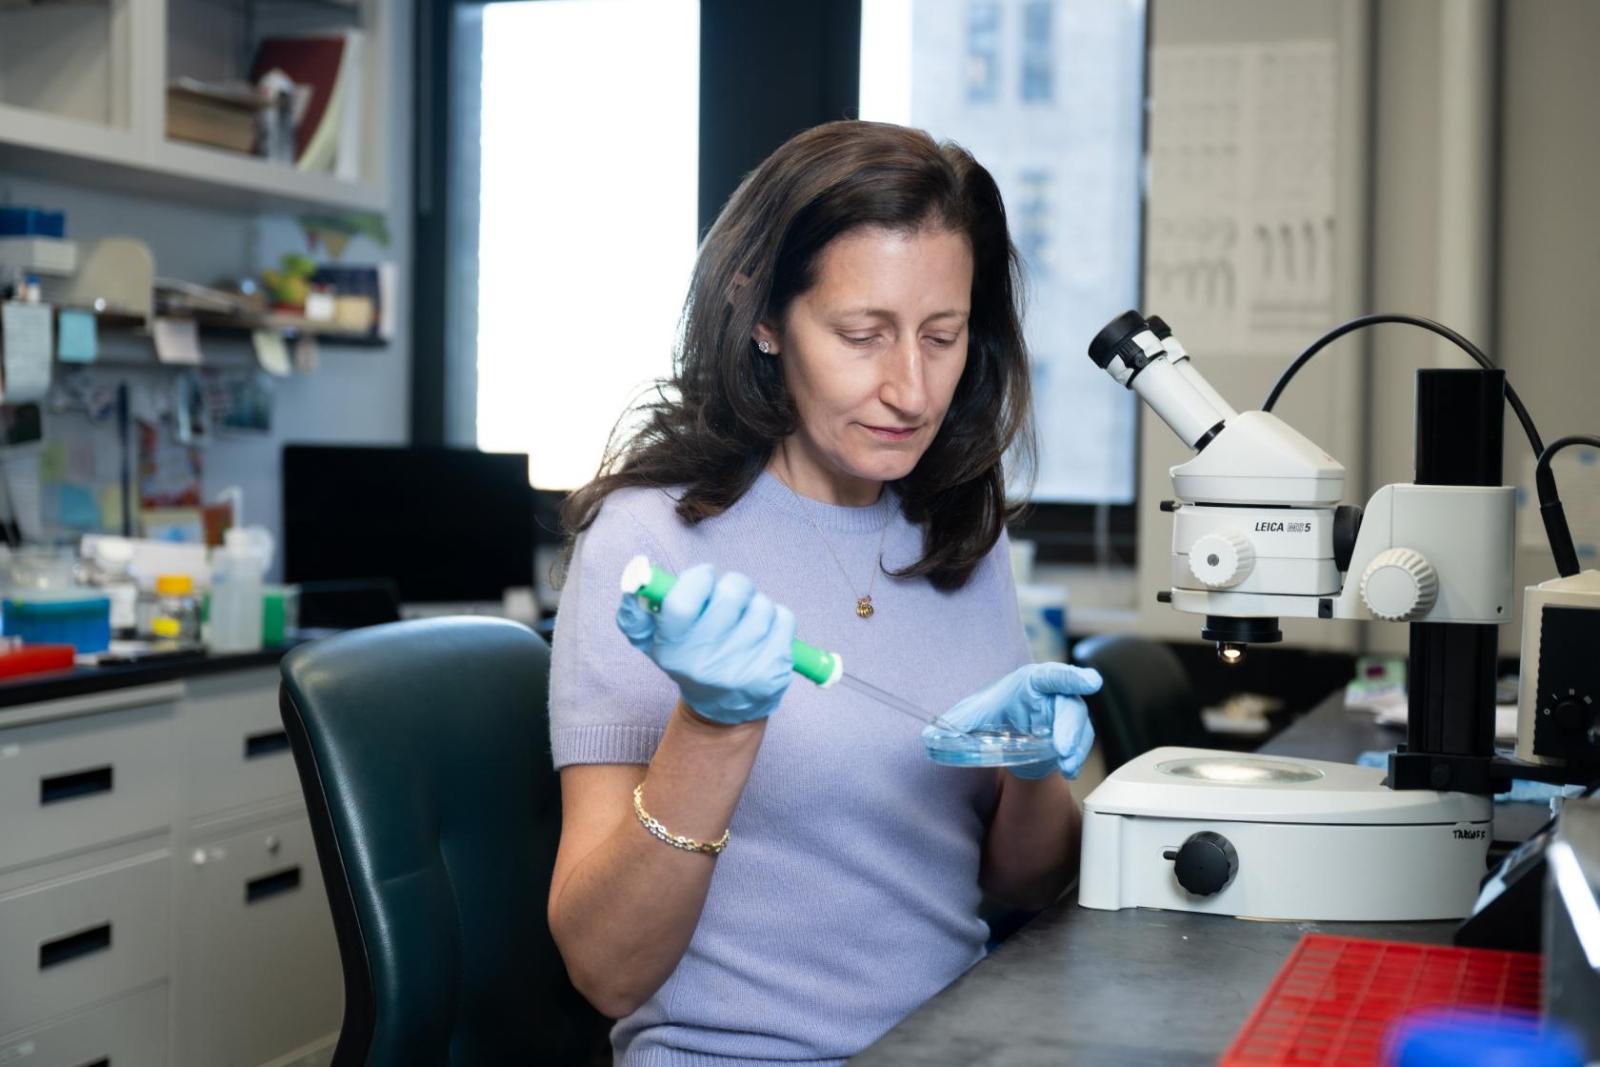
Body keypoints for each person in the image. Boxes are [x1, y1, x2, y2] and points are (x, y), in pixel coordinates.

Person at [547, 120, 1102, 1067]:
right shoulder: (650, 539)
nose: (911, 389)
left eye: (943, 335)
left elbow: (1021, 886)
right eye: (862, 335)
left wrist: (1034, 766)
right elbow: (606, 967)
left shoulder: (962, 533)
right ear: (764, 319)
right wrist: (713, 728)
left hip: (961, 1041)